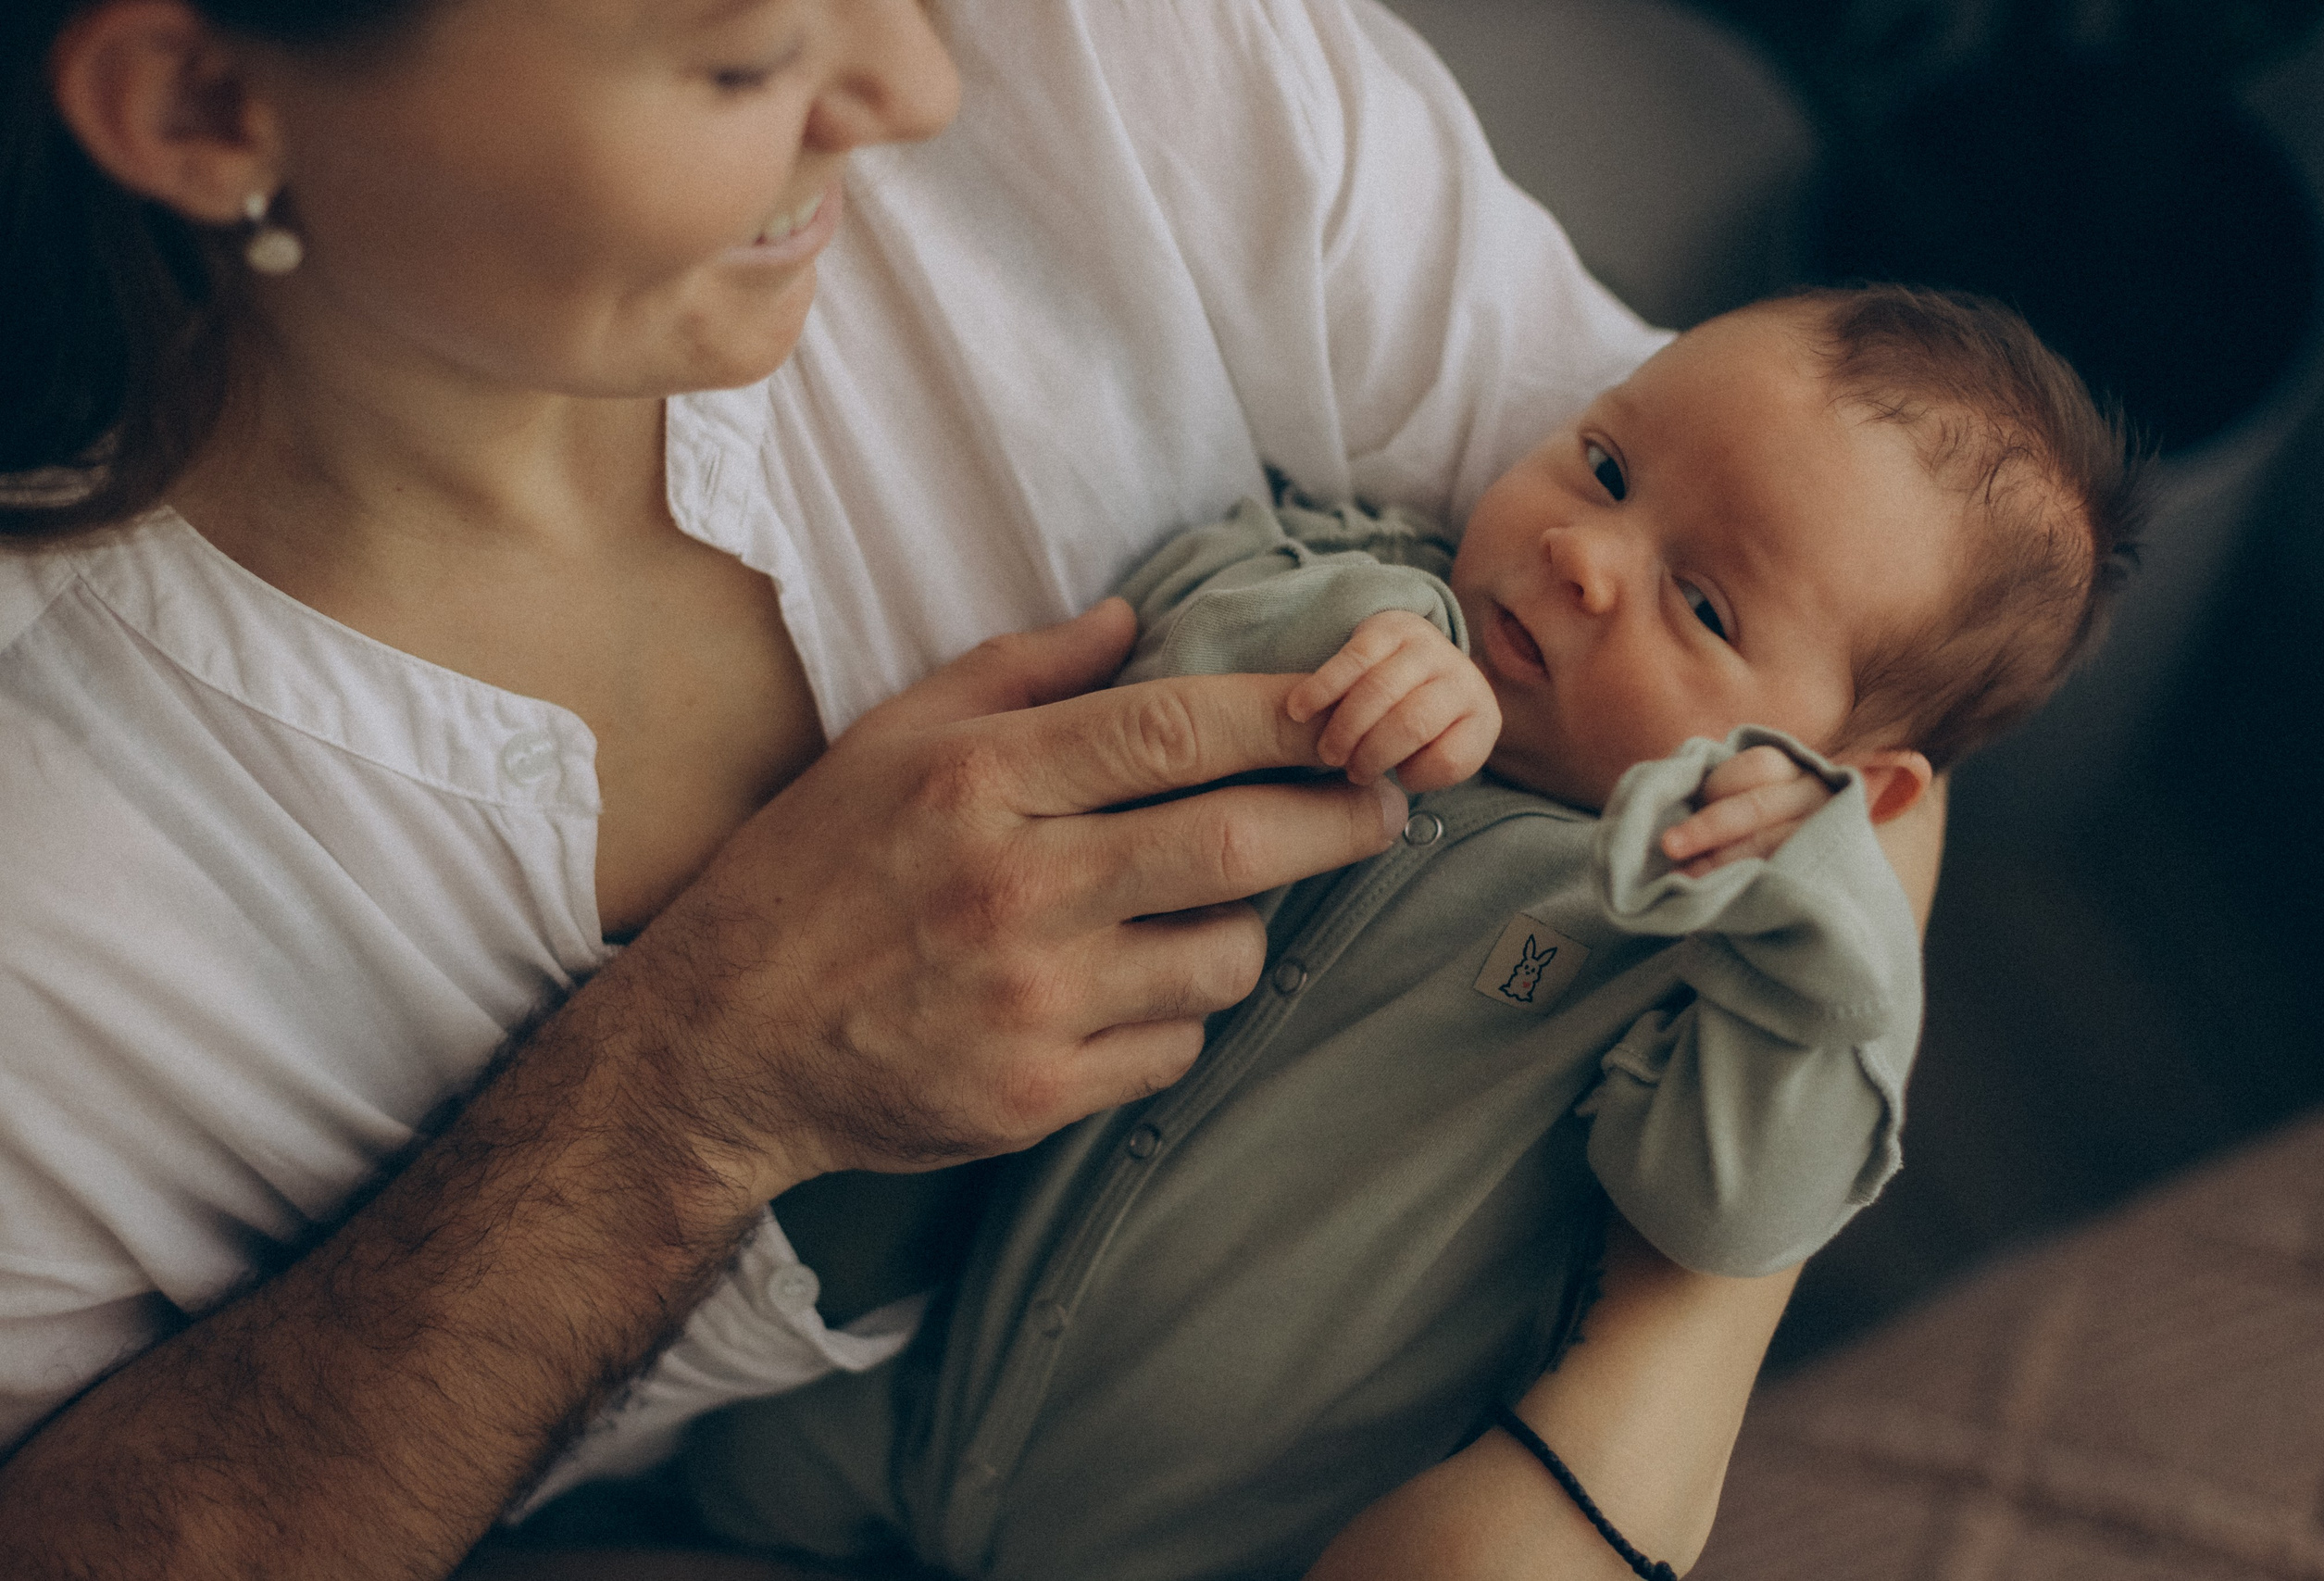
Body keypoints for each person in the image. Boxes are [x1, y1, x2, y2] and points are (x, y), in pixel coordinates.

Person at [0, 3, 1940, 1578]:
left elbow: (1849, 677)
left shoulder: (1104, 57)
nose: (922, 79)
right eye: (740, 56)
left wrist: (1596, 1456)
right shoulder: (50, 880)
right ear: (194, 100)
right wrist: (684, 1089)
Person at [677, 285, 2143, 1579]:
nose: (1583, 554)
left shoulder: (1698, 961)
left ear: (1847, 784)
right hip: (902, 1381)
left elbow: (1733, 1218)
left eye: (1703, 603)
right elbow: (1172, 637)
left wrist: (1824, 910)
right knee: (678, 1483)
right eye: (1608, 464)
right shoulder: (1378, 577)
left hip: (1223, 1542)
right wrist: (1365, 641)